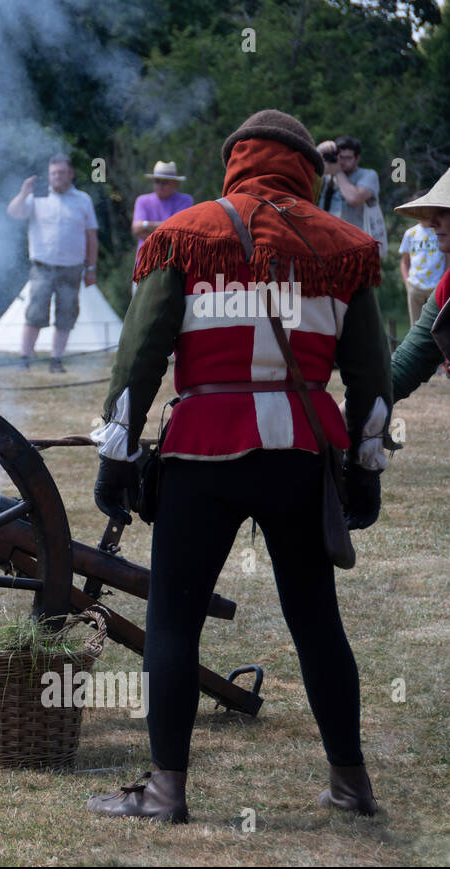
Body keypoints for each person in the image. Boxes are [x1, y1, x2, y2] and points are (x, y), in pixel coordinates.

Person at [87, 110, 391, 824]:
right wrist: (367, 467)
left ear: (237, 162)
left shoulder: (185, 234)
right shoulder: (347, 246)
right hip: (301, 455)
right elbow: (370, 379)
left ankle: (166, 792)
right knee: (318, 622)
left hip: (204, 450)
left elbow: (141, 358)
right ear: (305, 169)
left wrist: (117, 455)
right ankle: (351, 785)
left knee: (173, 621)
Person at [6, 154, 99, 373]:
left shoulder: (83, 199)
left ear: (71, 174)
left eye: (61, 172)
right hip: (42, 266)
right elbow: (13, 213)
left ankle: (56, 360)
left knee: (66, 314)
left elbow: (91, 236)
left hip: (73, 267)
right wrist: (23, 193)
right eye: (53, 173)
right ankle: (24, 358)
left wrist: (91, 268)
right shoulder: (37, 196)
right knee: (35, 312)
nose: (56, 177)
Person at [390, 168, 450, 402]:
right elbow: (408, 364)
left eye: (444, 211)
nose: (433, 222)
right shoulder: (447, 288)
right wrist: (344, 415)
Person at [131, 161, 193, 284]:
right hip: (145, 265)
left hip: (174, 266)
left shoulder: (185, 200)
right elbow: (136, 229)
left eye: (164, 181)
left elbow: (181, 230)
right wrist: (167, 228)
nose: (160, 185)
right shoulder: (142, 201)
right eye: (157, 181)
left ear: (174, 183)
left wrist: (147, 226)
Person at [318, 135, 381, 234]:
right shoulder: (327, 176)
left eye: (348, 158)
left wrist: (338, 172)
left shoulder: (368, 175)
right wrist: (319, 153)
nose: (342, 162)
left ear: (357, 158)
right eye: (340, 157)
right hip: (328, 236)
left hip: (358, 239)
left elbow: (354, 198)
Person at [397, 209, 445, 332]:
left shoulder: (440, 231)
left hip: (436, 285)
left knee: (438, 325)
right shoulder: (410, 233)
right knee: (415, 326)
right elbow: (404, 261)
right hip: (415, 285)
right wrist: (407, 281)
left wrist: (443, 281)